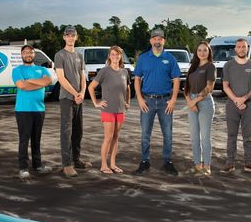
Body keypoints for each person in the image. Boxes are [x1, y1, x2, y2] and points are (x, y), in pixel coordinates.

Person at [133, 29, 181, 176]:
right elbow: (137, 79)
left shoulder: (170, 58)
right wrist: (140, 99)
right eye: (155, 38)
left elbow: (177, 79)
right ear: (151, 41)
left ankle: (167, 161)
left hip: (165, 101)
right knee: (145, 134)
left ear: (163, 41)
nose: (157, 41)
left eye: (160, 38)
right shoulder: (143, 58)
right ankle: (144, 161)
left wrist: (173, 99)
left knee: (167, 134)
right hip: (147, 101)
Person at [220, 38, 251, 174]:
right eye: (239, 47)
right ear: (235, 49)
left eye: (244, 47)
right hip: (232, 105)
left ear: (247, 48)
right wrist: (236, 100)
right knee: (231, 136)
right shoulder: (228, 65)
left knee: (247, 137)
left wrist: (244, 99)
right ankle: (230, 163)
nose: (241, 49)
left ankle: (248, 163)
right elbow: (225, 86)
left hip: (249, 106)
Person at [12, 44, 53, 181]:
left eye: (30, 52)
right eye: (25, 52)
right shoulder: (17, 70)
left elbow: (48, 81)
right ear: (21, 55)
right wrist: (38, 83)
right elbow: (21, 85)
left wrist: (30, 81)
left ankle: (38, 165)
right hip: (23, 110)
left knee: (37, 139)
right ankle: (23, 168)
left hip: (39, 109)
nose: (28, 54)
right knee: (24, 139)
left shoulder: (42, 69)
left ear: (34, 54)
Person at [54, 26, 91, 178]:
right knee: (66, 131)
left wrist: (82, 92)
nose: (70, 38)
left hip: (78, 99)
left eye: (73, 35)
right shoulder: (59, 55)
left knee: (78, 131)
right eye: (68, 35)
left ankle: (76, 160)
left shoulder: (79, 56)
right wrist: (75, 93)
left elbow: (83, 76)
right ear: (64, 37)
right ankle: (67, 164)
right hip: (67, 99)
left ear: (76, 37)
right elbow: (61, 78)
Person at [88, 46, 130, 174]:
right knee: (108, 137)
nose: (115, 57)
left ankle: (112, 164)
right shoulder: (104, 71)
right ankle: (103, 165)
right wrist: (96, 103)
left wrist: (127, 102)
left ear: (121, 56)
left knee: (116, 137)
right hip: (108, 110)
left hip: (121, 110)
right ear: (109, 56)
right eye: (113, 54)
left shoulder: (125, 72)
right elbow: (91, 87)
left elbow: (128, 88)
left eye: (117, 54)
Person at [184, 41, 215, 177]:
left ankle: (207, 167)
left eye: (205, 50)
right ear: (196, 52)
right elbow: (186, 87)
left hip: (205, 103)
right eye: (200, 50)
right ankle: (197, 165)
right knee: (194, 137)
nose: (202, 52)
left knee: (205, 137)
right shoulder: (193, 66)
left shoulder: (210, 66)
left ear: (209, 52)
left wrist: (195, 101)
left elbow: (209, 87)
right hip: (192, 101)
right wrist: (189, 102)